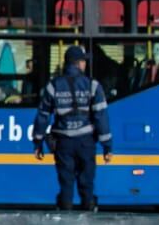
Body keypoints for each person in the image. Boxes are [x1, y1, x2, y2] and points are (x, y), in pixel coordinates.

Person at [32, 45, 113, 211]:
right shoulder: (93, 85)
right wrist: (107, 146)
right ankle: (88, 215)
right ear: (78, 63)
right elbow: (101, 117)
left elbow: (43, 116)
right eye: (83, 61)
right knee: (87, 182)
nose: (85, 64)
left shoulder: (53, 86)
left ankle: (66, 215)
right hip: (86, 142)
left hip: (63, 143)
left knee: (66, 182)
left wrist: (38, 141)